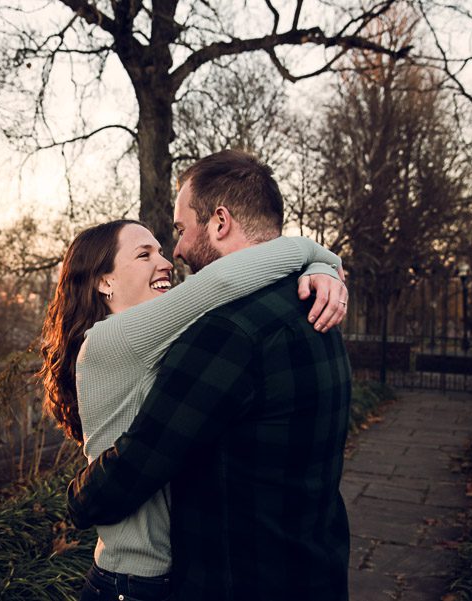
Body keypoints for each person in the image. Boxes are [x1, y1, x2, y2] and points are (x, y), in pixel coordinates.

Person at [64, 150, 353, 601]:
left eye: (177, 233)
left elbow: (136, 465)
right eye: (147, 253)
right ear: (102, 281)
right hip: (312, 568)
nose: (173, 255)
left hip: (242, 579)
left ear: (219, 223)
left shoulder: (224, 331)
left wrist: (79, 500)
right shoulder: (313, 309)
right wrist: (319, 258)